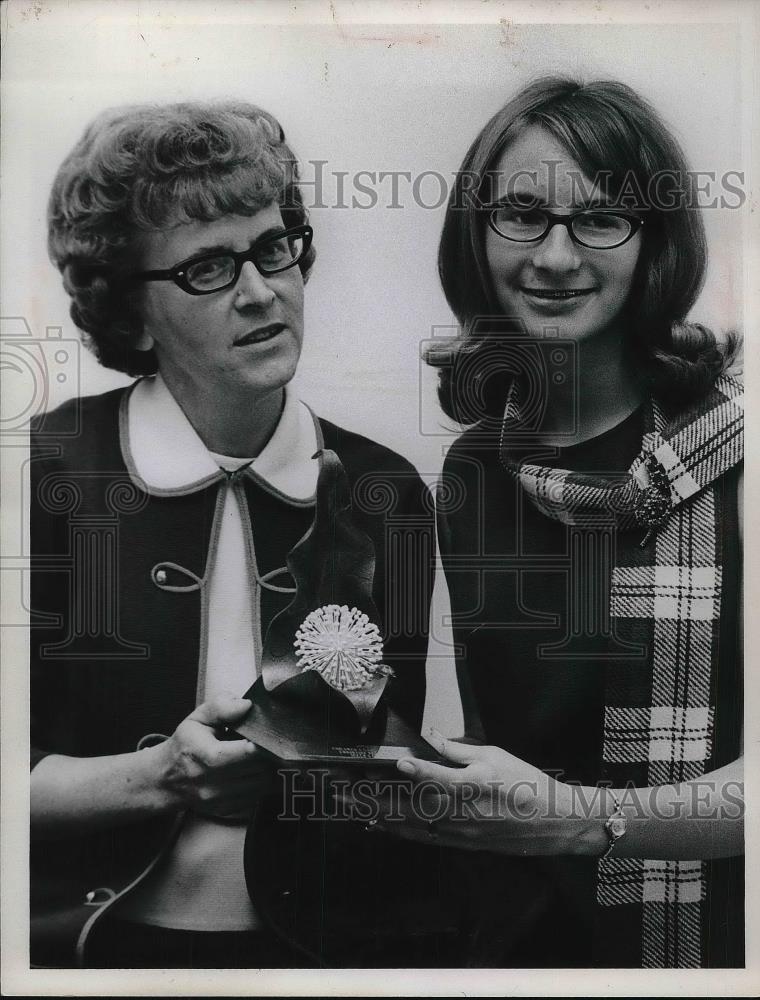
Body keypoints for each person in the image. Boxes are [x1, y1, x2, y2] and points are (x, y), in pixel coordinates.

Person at [29, 100, 442, 969]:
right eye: (208, 268)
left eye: (271, 247)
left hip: (327, 954)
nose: (260, 290)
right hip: (82, 953)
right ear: (132, 313)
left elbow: (384, 760)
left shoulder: (385, 491)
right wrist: (155, 778)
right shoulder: (45, 473)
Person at [375, 78, 744, 968]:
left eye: (601, 218)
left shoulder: (737, 457)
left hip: (711, 951)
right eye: (523, 214)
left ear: (655, 240)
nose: (555, 255)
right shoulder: (472, 471)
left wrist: (579, 823)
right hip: (521, 951)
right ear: (477, 230)